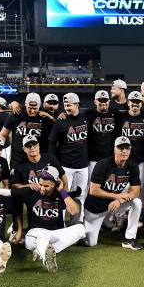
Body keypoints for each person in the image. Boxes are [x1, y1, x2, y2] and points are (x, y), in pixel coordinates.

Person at [11, 166, 85, 273]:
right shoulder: (31, 191)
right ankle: (46, 260)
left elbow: (74, 211)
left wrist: (62, 191)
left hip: (55, 234)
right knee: (43, 235)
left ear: (55, 184)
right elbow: (8, 192)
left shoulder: (61, 194)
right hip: (34, 235)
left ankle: (45, 251)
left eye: (46, 186)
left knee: (81, 229)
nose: (41, 188)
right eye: (40, 184)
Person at [83, 137, 143, 250]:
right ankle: (81, 226)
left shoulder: (133, 166)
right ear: (115, 149)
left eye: (127, 148)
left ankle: (129, 240)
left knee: (136, 203)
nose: (124, 151)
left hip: (114, 205)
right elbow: (93, 190)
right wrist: (117, 196)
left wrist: (120, 200)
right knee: (91, 243)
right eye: (121, 148)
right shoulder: (102, 164)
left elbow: (136, 191)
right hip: (95, 209)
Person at [48, 92, 89, 223]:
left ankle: (77, 223)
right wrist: (53, 164)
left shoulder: (86, 117)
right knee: (63, 195)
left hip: (83, 166)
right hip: (66, 166)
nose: (66, 108)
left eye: (69, 105)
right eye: (65, 105)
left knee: (80, 196)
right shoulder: (61, 121)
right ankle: (60, 223)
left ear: (77, 105)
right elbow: (52, 143)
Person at [0, 92, 54, 169]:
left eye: (35, 108)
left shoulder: (45, 116)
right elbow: (3, 135)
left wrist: (51, 118)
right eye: (29, 108)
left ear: (40, 105)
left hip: (38, 162)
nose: (32, 111)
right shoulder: (16, 114)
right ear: (25, 104)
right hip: (18, 162)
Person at [117, 91, 144, 210]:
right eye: (132, 102)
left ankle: (137, 213)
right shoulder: (121, 117)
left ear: (141, 103)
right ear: (128, 103)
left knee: (139, 187)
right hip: (124, 158)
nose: (135, 104)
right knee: (122, 186)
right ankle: (120, 215)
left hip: (141, 159)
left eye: (138, 102)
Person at [85, 90, 121, 184]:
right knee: (91, 184)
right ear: (95, 101)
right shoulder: (88, 113)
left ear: (109, 101)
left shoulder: (115, 113)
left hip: (110, 157)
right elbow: (74, 115)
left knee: (109, 184)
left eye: (105, 100)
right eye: (100, 100)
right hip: (93, 158)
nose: (103, 103)